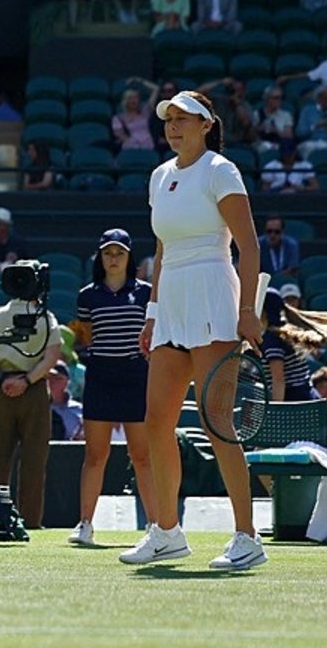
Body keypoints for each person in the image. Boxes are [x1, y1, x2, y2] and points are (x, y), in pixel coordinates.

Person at [120, 90, 266, 570]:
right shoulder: (160, 176)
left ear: (206, 125)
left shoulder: (221, 170)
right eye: (170, 120)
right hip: (173, 307)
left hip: (213, 296)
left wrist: (246, 310)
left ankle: (247, 537)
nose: (174, 127)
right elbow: (161, 252)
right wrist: (152, 314)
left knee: (217, 423)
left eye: (185, 119)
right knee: (155, 422)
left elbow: (247, 244)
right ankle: (167, 531)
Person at [68, 228, 157, 547]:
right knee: (95, 455)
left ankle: (156, 526)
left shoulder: (147, 293)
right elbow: (86, 337)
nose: (114, 258)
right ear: (100, 257)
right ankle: (85, 524)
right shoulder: (87, 296)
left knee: (142, 456)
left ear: (129, 256)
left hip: (136, 376)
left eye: (119, 253)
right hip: (101, 375)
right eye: (108, 252)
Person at [0, 281, 63, 532]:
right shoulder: (47, 319)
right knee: (34, 458)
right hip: (33, 390)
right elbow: (53, 355)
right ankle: (31, 521)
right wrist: (28, 380)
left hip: (1, 389)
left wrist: (1, 379)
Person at [260, 288, 320, 402]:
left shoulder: (271, 339)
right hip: (308, 397)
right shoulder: (287, 330)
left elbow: (278, 379)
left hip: (294, 404)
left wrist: (276, 411)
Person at [48, 361, 83, 441]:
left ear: (67, 382)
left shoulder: (80, 410)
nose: (53, 382)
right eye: (49, 378)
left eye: (58, 379)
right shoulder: (37, 408)